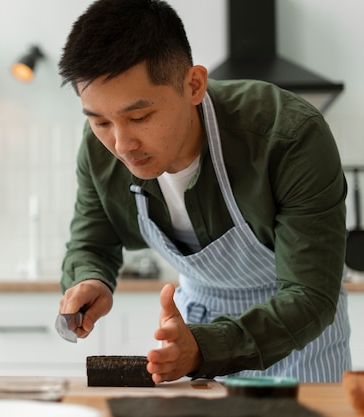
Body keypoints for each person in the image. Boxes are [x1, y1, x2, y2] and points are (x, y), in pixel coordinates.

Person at [57, 0, 351, 383]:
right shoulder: (101, 149)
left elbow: (311, 295)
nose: (121, 144)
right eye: (100, 122)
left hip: (299, 342)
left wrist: (205, 348)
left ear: (193, 85)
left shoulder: (290, 136)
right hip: (193, 333)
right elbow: (92, 242)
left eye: (139, 117)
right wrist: (90, 280)